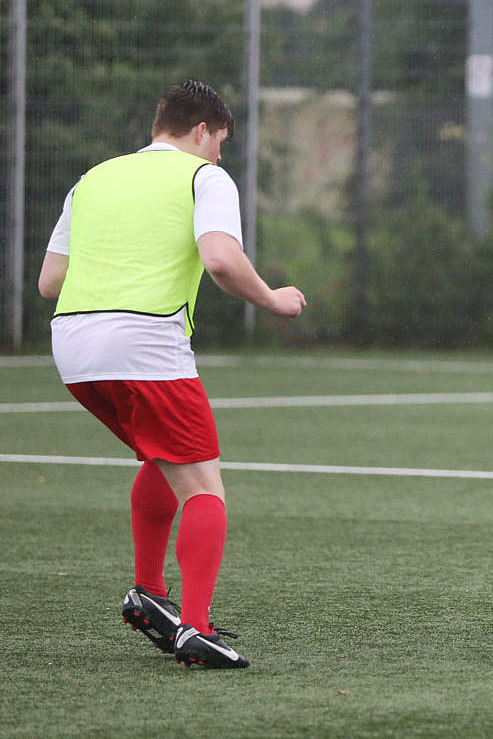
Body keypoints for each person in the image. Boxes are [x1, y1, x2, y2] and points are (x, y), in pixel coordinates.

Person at [37, 80, 307, 669]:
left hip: (74, 348)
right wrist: (272, 299)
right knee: (204, 489)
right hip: (146, 344)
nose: (219, 157)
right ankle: (195, 628)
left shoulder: (93, 179)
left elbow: (49, 282)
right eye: (220, 144)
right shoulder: (203, 176)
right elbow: (219, 258)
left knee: (162, 459)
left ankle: (149, 592)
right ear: (203, 130)